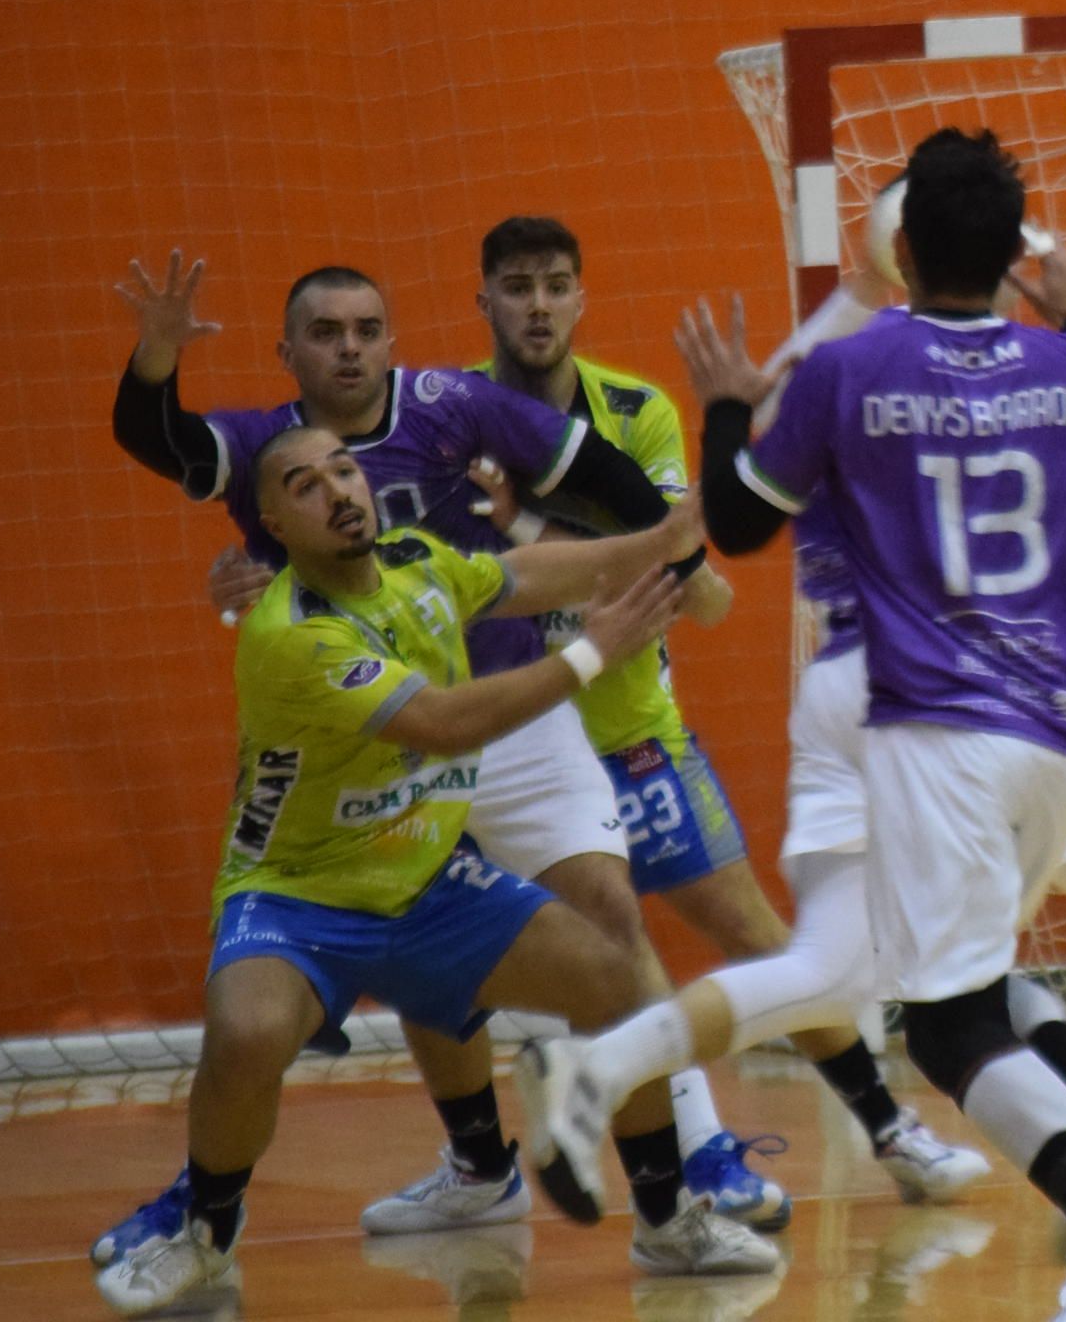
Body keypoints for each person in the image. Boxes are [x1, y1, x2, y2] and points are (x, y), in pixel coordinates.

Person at [525, 130, 1066, 1322]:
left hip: (928, 720)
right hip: (1064, 724)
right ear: (1011, 253)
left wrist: (726, 409)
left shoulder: (846, 370)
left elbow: (731, 514)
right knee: (974, 953)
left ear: (906, 245)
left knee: (939, 1015)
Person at [104, 254, 770, 1242]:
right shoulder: (293, 612)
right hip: (357, 801)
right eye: (325, 333)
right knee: (258, 1028)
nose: (349, 348)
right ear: (268, 512)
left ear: (393, 341)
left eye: (367, 328)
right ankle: (222, 1214)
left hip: (505, 723)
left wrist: (670, 537)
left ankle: (676, 1189)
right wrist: (157, 353)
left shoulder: (423, 526)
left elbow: (528, 564)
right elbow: (442, 724)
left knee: (608, 944)